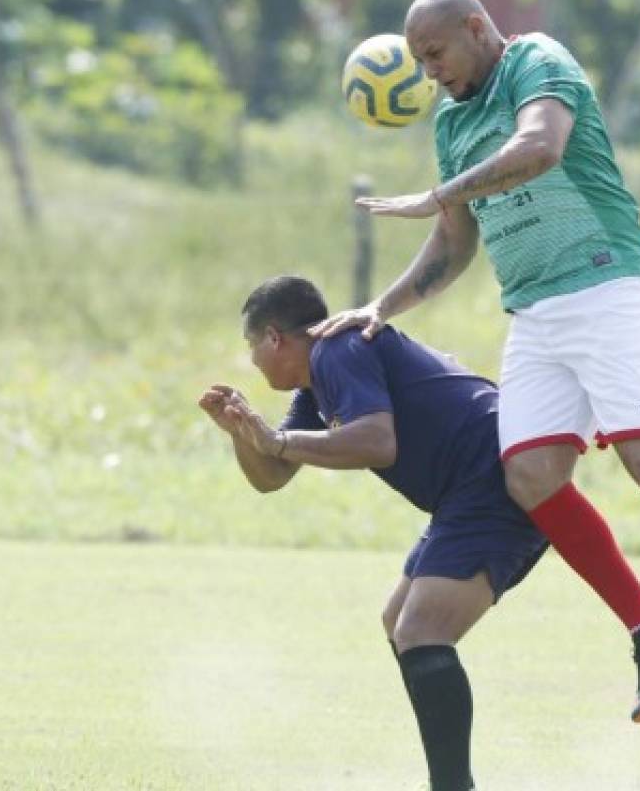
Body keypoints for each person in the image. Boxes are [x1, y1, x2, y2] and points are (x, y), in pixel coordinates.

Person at [312, 0, 640, 715]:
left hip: (608, 282)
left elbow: (539, 147)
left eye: (435, 54)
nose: (430, 72)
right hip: (534, 311)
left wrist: (437, 195)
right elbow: (455, 239)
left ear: (477, 27)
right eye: (419, 62)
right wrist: (380, 306)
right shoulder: (452, 122)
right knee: (529, 476)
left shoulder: (536, 59)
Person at [200, 275, 548, 791]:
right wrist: (244, 436)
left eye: (252, 346)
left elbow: (376, 442)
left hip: (494, 479)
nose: (252, 360)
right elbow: (272, 478)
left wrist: (276, 440)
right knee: (399, 621)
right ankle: (450, 781)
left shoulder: (338, 349)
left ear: (275, 337)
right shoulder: (316, 387)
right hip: (468, 489)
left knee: (421, 630)